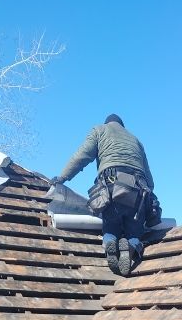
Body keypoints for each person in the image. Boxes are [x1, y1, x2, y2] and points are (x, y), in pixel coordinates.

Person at [52, 115, 161, 277]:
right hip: (138, 189)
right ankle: (131, 247)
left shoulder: (99, 130)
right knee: (135, 231)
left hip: (112, 185)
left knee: (110, 226)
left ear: (107, 123)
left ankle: (110, 242)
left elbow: (82, 155)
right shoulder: (136, 140)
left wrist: (62, 177)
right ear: (122, 126)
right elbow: (150, 181)